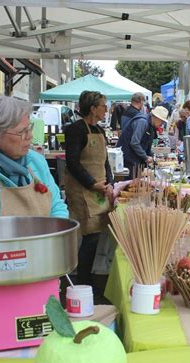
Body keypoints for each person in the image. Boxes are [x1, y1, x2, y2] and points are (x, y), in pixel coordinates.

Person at [65, 91, 114, 287]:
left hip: (99, 190)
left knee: (95, 235)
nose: (106, 110)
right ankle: (83, 281)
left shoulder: (100, 131)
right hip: (83, 190)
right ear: (93, 108)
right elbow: (73, 163)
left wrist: (109, 182)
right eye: (103, 106)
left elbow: (105, 162)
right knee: (90, 236)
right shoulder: (75, 130)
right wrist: (91, 183)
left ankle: (87, 278)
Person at [116, 105, 169, 178]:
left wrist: (152, 155)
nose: (161, 124)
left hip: (133, 159)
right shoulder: (142, 122)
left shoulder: (150, 125)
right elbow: (135, 143)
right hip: (129, 159)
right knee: (130, 183)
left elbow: (145, 145)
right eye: (161, 121)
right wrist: (145, 157)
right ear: (156, 117)